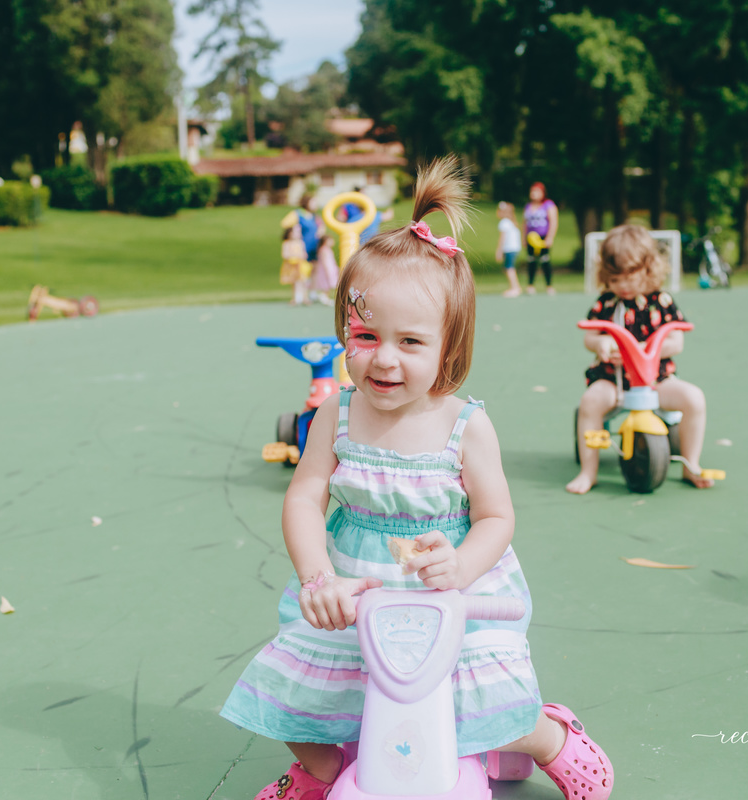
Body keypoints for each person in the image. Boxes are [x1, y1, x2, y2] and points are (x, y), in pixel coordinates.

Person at [221, 158, 614, 800]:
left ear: (447, 348)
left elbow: (496, 517)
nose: (383, 358)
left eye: (410, 342)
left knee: (488, 710)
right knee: (293, 697)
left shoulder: (465, 426)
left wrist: (461, 566)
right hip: (355, 587)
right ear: (345, 330)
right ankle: (320, 773)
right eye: (366, 334)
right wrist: (316, 577)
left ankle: (550, 738)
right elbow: (305, 495)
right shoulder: (335, 412)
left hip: (450, 593)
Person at [567, 224, 714, 493]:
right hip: (614, 380)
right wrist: (600, 342)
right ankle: (589, 472)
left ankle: (690, 464)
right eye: (615, 280)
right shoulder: (607, 303)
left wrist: (643, 348)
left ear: (648, 269)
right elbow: (590, 336)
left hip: (656, 380)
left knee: (694, 398)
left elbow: (676, 341)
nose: (622, 286)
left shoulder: (661, 301)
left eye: (630, 278)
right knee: (590, 402)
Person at [523, 181, 558, 295]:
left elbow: (553, 221)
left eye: (537, 191)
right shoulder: (528, 206)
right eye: (532, 191)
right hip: (531, 238)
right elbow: (525, 223)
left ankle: (549, 286)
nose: (534, 193)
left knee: (545, 260)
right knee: (531, 261)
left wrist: (550, 237)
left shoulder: (548, 205)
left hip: (543, 237)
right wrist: (523, 238)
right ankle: (530, 285)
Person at [495, 201, 523, 297]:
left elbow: (502, 238)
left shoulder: (504, 223)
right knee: (508, 267)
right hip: (514, 248)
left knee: (509, 268)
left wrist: (499, 251)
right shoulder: (511, 223)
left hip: (509, 249)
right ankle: (514, 287)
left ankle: (515, 288)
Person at [280, 225, 310, 306]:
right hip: (291, 265)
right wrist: (292, 258)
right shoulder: (286, 243)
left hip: (300, 265)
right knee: (293, 282)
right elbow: (285, 254)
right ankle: (294, 298)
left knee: (304, 281)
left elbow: (304, 253)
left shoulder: (300, 243)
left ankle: (305, 298)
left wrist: (302, 257)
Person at [309, 234, 339, 306]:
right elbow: (325, 261)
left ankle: (326, 297)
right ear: (326, 241)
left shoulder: (327, 249)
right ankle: (324, 297)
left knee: (328, 284)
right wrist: (327, 270)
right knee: (326, 283)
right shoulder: (324, 250)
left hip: (330, 268)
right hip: (326, 269)